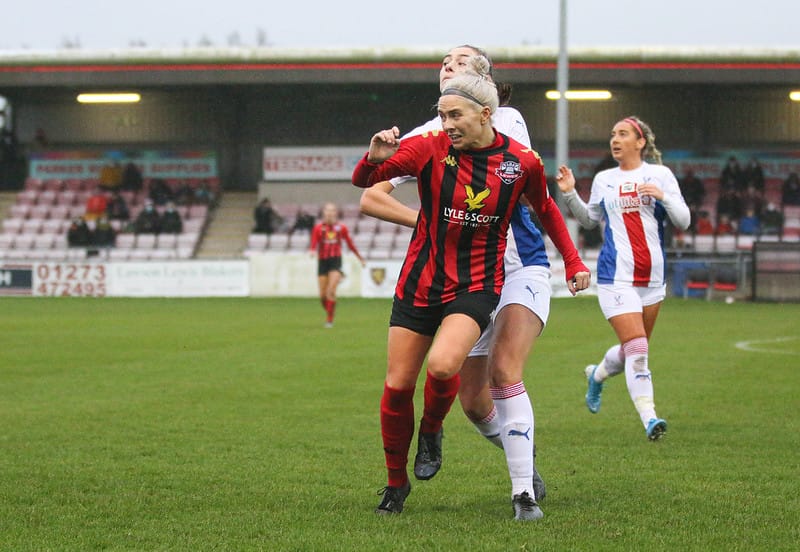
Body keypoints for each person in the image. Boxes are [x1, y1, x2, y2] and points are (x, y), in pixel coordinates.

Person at [353, 70, 590, 517]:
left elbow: (546, 210)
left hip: (477, 283)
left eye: (455, 115)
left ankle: (431, 431)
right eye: (442, 115)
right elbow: (364, 183)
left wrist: (574, 260)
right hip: (420, 280)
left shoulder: (521, 162)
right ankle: (395, 483)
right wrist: (373, 158)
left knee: (444, 366)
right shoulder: (428, 147)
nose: (447, 125)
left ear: (486, 114)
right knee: (398, 384)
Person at [556, 115, 690, 441]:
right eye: (613, 134)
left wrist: (663, 196)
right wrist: (572, 194)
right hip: (615, 275)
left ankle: (597, 375)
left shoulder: (660, 175)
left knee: (633, 348)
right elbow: (590, 220)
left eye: (623, 134)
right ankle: (650, 417)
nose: (615, 139)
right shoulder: (604, 179)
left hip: (653, 278)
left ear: (640, 141)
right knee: (639, 347)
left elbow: (683, 221)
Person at [308, 202, 365, 328]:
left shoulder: (341, 228)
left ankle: (329, 320)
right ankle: (330, 308)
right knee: (322, 296)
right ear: (324, 213)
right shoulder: (318, 228)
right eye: (327, 210)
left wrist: (360, 258)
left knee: (330, 291)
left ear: (336, 213)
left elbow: (350, 244)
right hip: (322, 262)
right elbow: (314, 241)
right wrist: (312, 250)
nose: (329, 213)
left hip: (335, 261)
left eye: (332, 210)